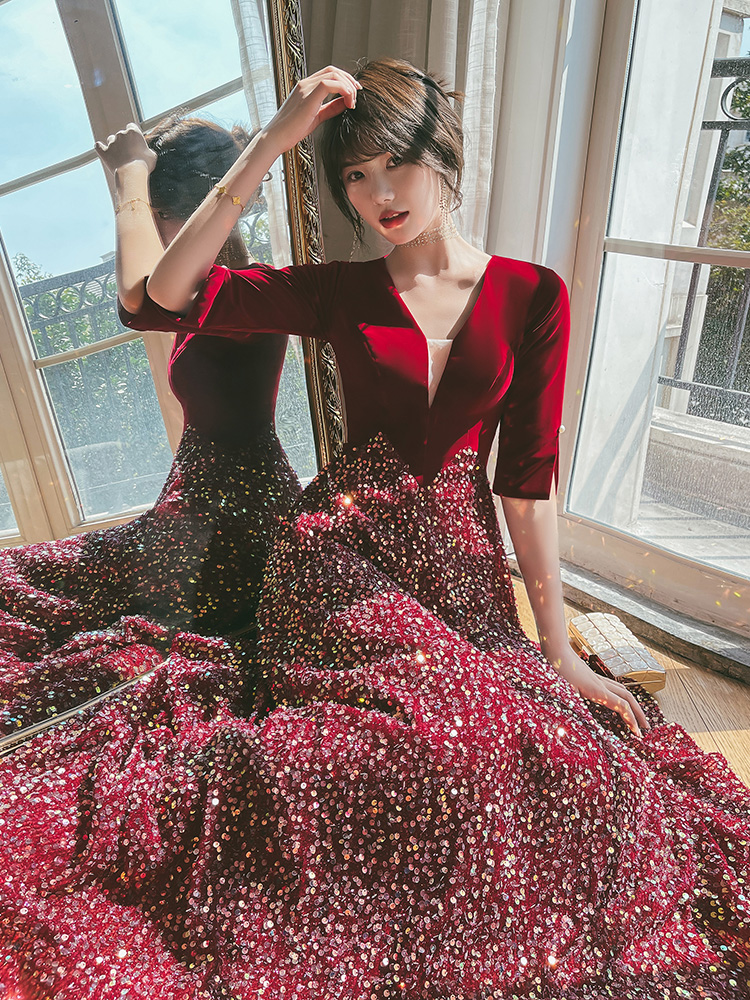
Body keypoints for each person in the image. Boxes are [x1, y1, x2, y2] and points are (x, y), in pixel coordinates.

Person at [0, 59, 747, 999]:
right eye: (354, 175)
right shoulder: (340, 291)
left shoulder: (533, 294)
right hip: (338, 553)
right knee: (439, 732)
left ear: (446, 157)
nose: (378, 194)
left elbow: (526, 484)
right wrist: (273, 142)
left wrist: (558, 647)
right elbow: (153, 299)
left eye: (396, 164)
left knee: (561, 756)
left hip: (458, 566)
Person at [0, 115, 301, 734]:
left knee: (57, 614)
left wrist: (130, 179)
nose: (150, 229)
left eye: (157, 214)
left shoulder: (238, 293)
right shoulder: (218, 291)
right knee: (29, 583)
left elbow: (135, 298)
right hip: (203, 507)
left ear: (185, 216)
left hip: (232, 525)